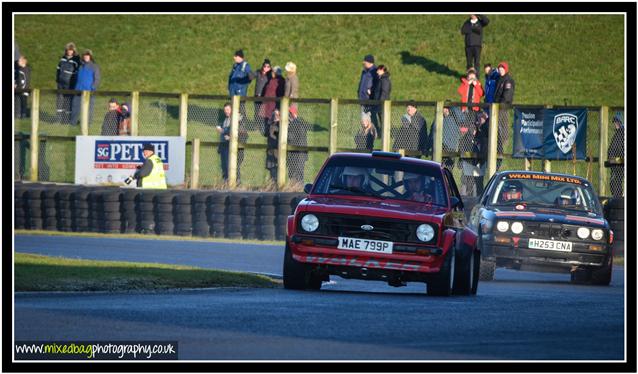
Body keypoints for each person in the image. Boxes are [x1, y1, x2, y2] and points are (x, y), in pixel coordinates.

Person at [216, 102, 246, 183]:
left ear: (233, 109)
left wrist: (231, 138)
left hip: (236, 149)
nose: (226, 111)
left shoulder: (239, 120)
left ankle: (236, 183)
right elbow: (224, 133)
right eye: (225, 110)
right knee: (225, 167)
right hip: (225, 148)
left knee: (234, 167)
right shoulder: (226, 120)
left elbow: (243, 135)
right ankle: (226, 183)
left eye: (228, 109)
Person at [493, 61, 515, 168]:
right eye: (499, 68)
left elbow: (507, 97)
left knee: (502, 129)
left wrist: (499, 107)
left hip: (502, 109)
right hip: (496, 109)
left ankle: (502, 149)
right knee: (496, 129)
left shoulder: (508, 81)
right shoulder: (499, 79)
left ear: (506, 69)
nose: (501, 70)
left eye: (502, 68)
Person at [70, 49, 100, 126]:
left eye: (88, 55)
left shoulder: (94, 67)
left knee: (89, 108)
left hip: (89, 91)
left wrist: (92, 88)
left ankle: (88, 123)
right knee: (75, 106)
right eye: (85, 55)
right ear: (83, 57)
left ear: (90, 56)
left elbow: (97, 79)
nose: (86, 57)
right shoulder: (80, 66)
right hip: (78, 90)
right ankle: (73, 122)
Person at [55, 42, 80, 123]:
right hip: (60, 84)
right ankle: (58, 119)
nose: (69, 52)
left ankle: (66, 120)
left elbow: (76, 73)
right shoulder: (62, 59)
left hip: (70, 84)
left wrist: (73, 83)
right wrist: (58, 80)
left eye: (71, 50)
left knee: (68, 101)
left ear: (73, 51)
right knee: (59, 101)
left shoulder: (76, 61)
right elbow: (58, 70)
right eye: (68, 50)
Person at [357, 54, 379, 134]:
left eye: (365, 61)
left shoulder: (375, 71)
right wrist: (358, 91)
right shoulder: (364, 72)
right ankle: (365, 132)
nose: (363, 63)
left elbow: (377, 84)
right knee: (363, 117)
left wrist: (371, 91)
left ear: (370, 62)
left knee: (372, 117)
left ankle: (376, 132)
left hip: (370, 99)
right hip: (362, 98)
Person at [249, 59, 272, 133]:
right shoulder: (258, 72)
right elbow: (251, 76)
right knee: (256, 111)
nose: (266, 68)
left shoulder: (270, 75)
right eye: (265, 66)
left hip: (264, 96)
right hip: (257, 95)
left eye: (268, 67)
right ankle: (256, 126)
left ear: (270, 68)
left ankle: (263, 126)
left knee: (263, 112)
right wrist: (248, 71)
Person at [472, 111, 489, 196]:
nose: (478, 121)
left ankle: (482, 195)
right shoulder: (480, 130)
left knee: (483, 178)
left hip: (484, 156)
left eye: (479, 119)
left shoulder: (486, 127)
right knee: (478, 179)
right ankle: (479, 195)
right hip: (479, 158)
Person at [608, 115, 624, 197]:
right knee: (614, 182)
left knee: (615, 182)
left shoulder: (621, 132)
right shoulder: (619, 133)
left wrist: (613, 160)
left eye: (617, 122)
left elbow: (617, 148)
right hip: (617, 161)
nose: (615, 124)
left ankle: (618, 198)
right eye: (615, 122)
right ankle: (618, 197)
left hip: (619, 161)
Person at [372, 64, 392, 129]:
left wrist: (381, 103)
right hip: (380, 104)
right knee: (382, 121)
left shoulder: (384, 80)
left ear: (383, 70)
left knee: (384, 121)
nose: (377, 71)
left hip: (382, 105)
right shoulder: (381, 79)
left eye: (379, 70)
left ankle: (386, 136)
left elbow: (384, 93)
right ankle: (382, 135)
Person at [265, 109, 280, 183]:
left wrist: (278, 122)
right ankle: (272, 184)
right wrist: (269, 123)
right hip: (270, 150)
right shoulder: (270, 124)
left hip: (277, 150)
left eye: (277, 115)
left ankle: (276, 185)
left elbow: (279, 133)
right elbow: (265, 133)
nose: (275, 116)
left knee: (276, 168)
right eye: (273, 114)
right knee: (271, 168)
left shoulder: (281, 124)